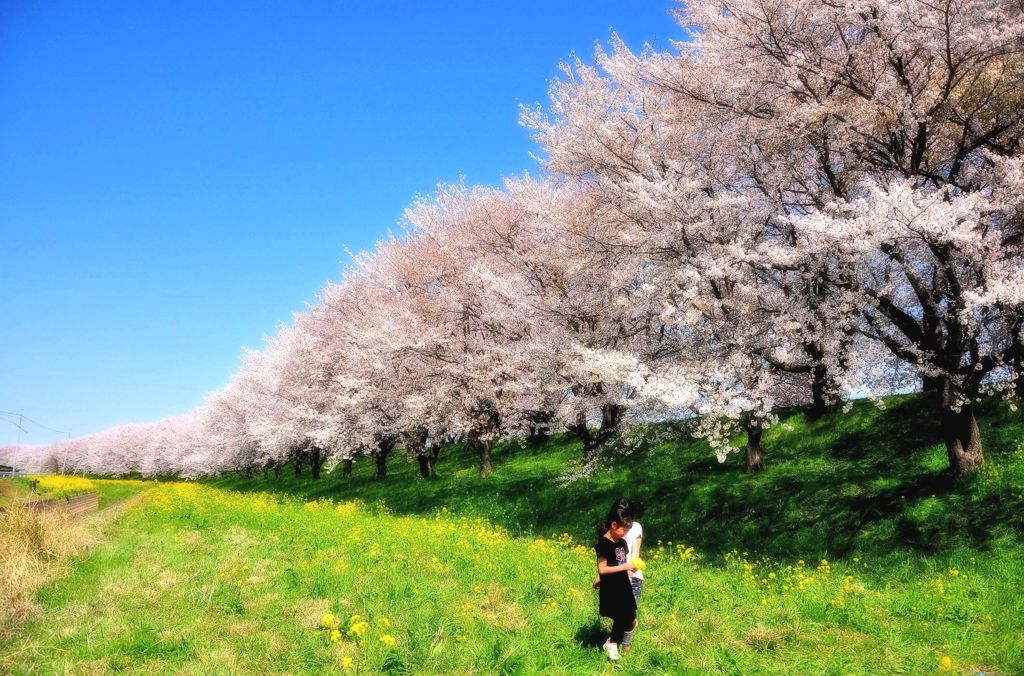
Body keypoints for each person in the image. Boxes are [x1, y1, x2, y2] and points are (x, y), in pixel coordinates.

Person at [594, 502, 637, 662]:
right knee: (622, 616)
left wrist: (627, 568)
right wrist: (599, 578)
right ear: (613, 525)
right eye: (624, 529)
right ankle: (612, 643)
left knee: (630, 615)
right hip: (611, 588)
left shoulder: (622, 543)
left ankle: (616, 643)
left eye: (627, 530)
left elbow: (618, 562)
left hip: (623, 585)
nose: (625, 533)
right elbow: (603, 569)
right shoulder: (603, 544)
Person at [621, 499, 645, 651]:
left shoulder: (636, 527)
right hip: (615, 575)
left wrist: (631, 571)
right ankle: (614, 641)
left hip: (633, 576)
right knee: (618, 612)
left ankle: (626, 645)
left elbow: (635, 553)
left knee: (628, 614)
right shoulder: (612, 527)